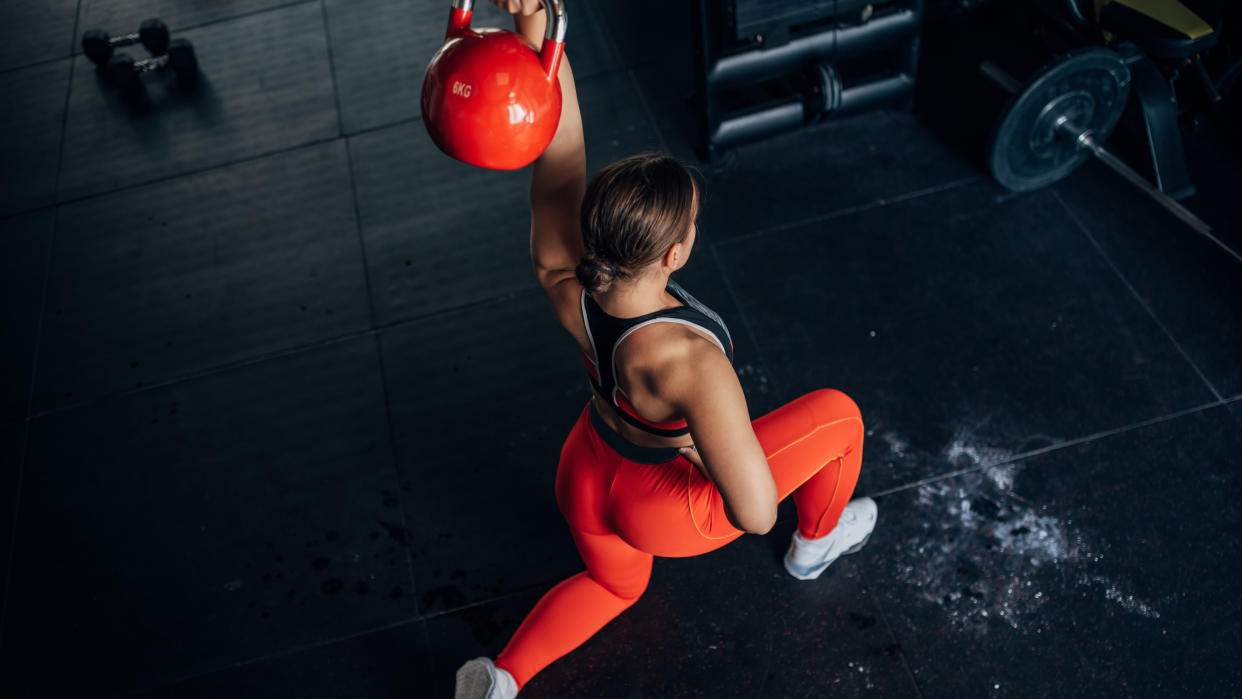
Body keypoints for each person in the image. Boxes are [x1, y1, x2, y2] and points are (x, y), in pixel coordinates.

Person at [455, 3, 877, 697]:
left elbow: (558, 157)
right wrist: (696, 449)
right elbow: (753, 512)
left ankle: (500, 678)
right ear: (675, 252)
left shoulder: (566, 279)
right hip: (661, 507)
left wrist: (539, 28)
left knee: (612, 583)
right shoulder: (693, 364)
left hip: (585, 472)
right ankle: (815, 547)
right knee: (839, 415)